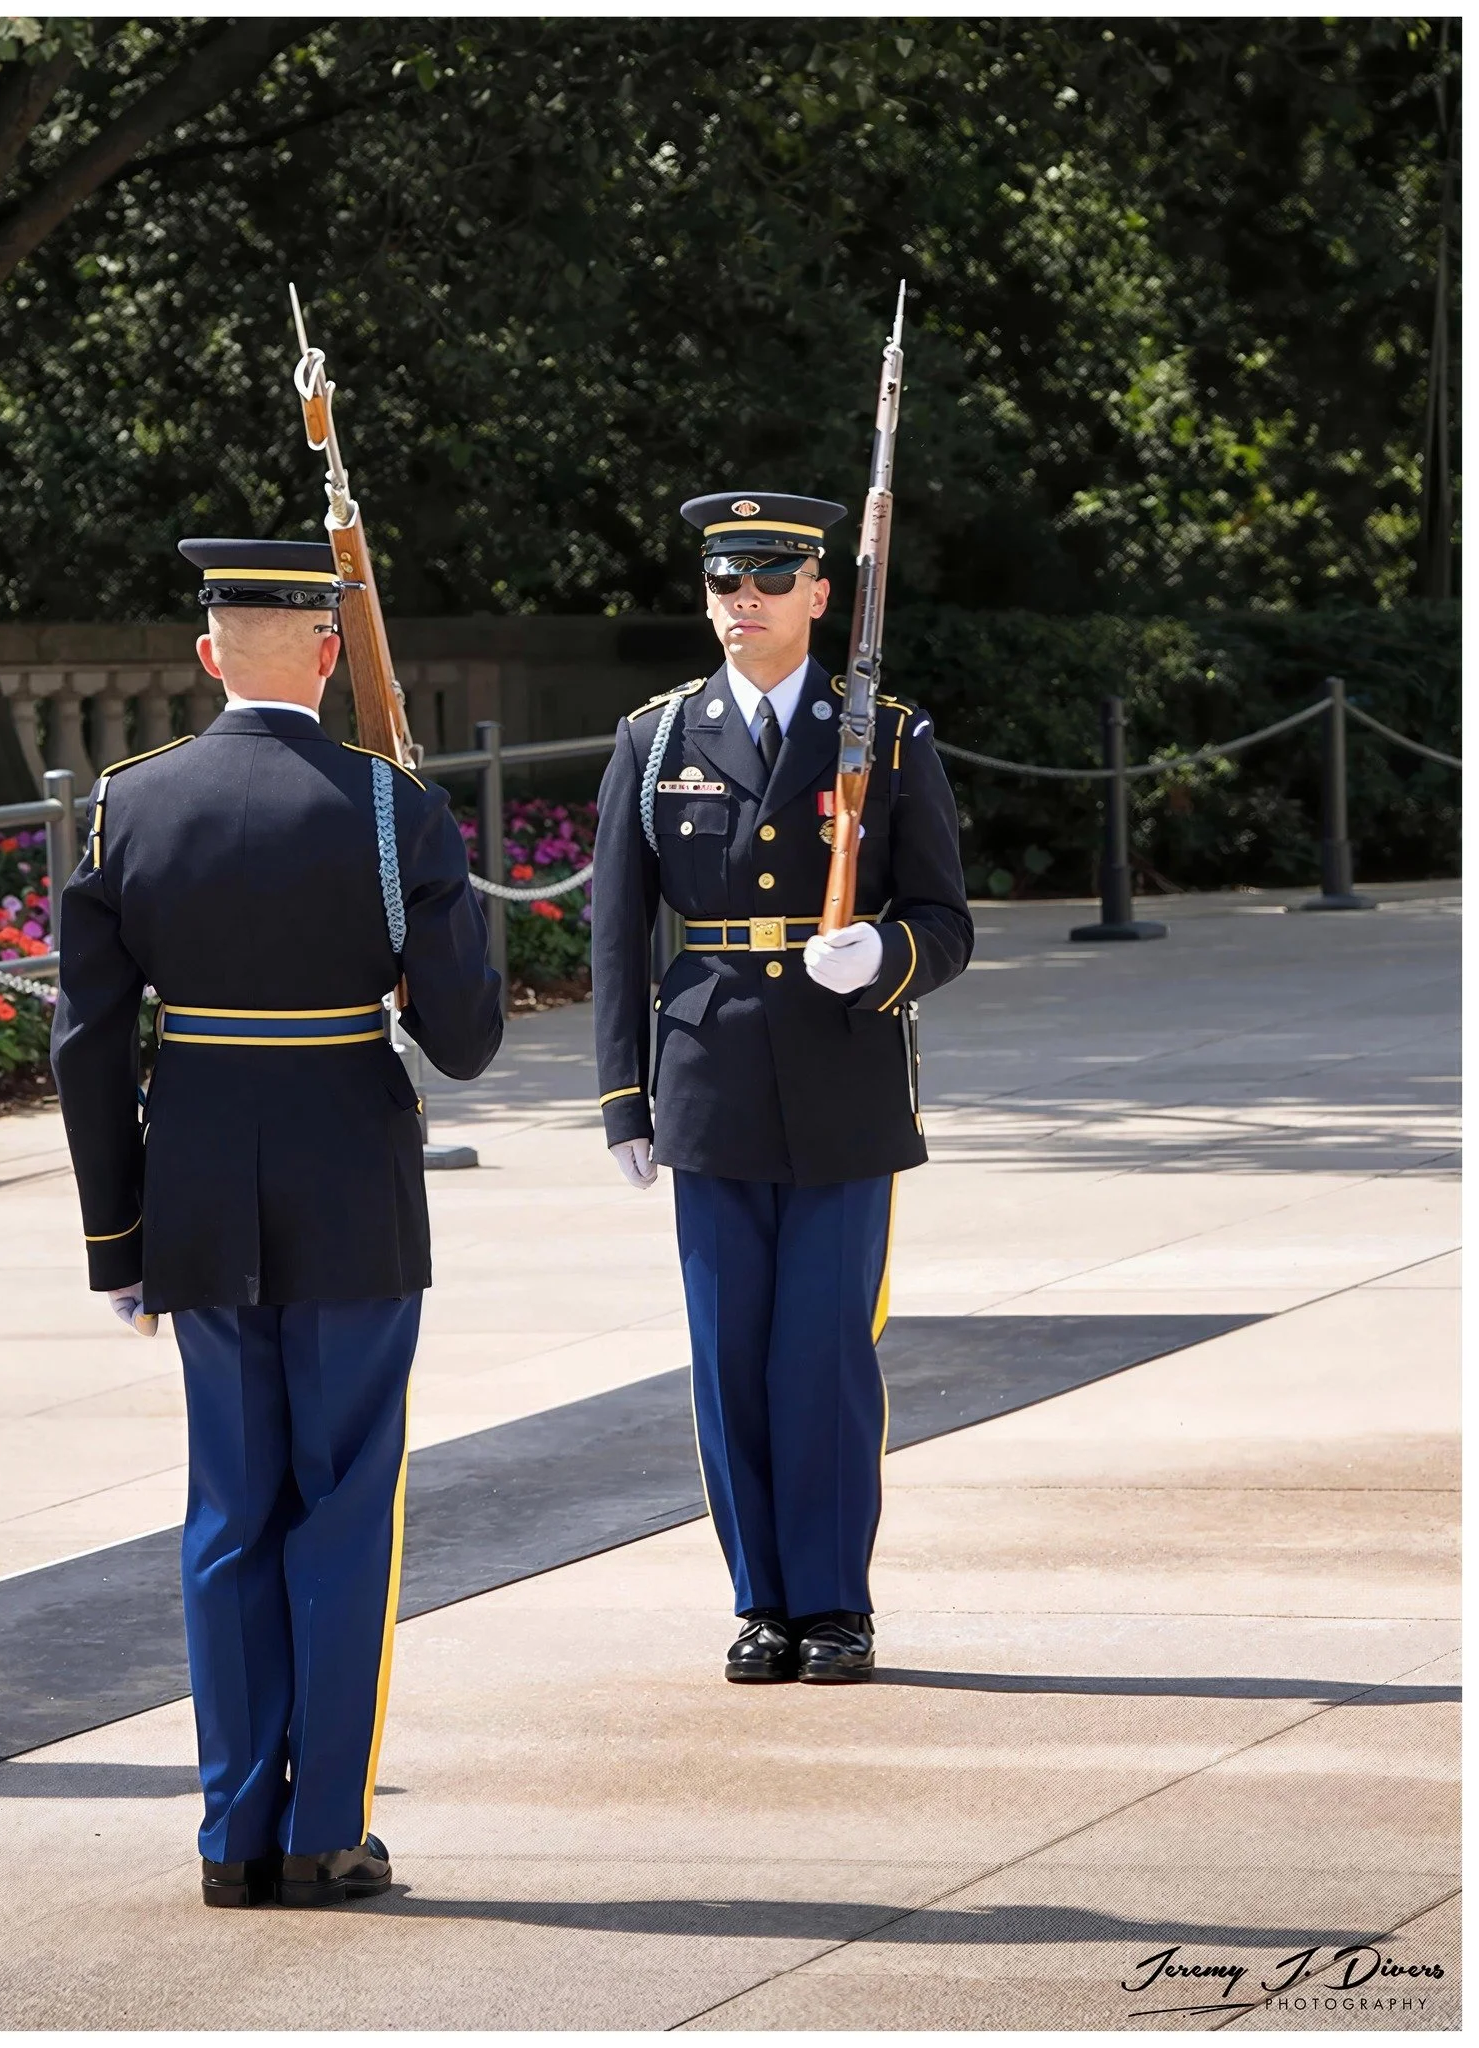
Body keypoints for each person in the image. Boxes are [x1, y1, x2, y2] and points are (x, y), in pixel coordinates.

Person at [52, 539, 502, 1908]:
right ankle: (327, 1832)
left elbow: (86, 1044)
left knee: (229, 1514)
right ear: (324, 654)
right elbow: (468, 1039)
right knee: (345, 1506)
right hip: (351, 1188)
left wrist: (113, 1240)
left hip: (191, 1185)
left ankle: (231, 1841)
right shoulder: (386, 810)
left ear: (206, 657)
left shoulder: (128, 804)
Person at [590, 493, 973, 1685]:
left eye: (766, 579)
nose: (739, 603)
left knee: (821, 1355)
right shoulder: (654, 738)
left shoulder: (888, 736)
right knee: (727, 1353)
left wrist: (885, 958)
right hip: (708, 1074)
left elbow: (943, 919)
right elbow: (615, 929)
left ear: (819, 593)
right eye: (721, 582)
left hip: (841, 1070)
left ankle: (833, 1600)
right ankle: (760, 1597)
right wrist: (622, 1093)